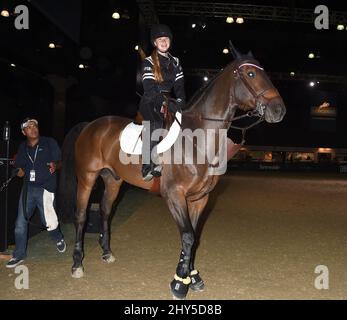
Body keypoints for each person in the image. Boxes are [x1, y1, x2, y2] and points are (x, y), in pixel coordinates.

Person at [6, 118, 66, 268]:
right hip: (28, 188)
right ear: (23, 132)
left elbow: (60, 161)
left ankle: (58, 237)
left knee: (49, 222)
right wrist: (18, 171)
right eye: (29, 127)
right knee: (20, 223)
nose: (33, 129)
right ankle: (19, 254)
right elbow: (20, 168)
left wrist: (55, 165)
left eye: (35, 126)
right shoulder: (22, 147)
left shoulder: (49, 142)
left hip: (46, 187)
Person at [139, 24, 186, 181]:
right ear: (155, 42)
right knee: (156, 122)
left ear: (170, 41)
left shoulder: (176, 62)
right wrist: (165, 103)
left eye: (166, 39)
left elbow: (179, 87)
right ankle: (147, 166)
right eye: (160, 39)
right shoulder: (148, 61)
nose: (164, 42)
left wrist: (180, 101)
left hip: (169, 99)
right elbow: (149, 88)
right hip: (151, 99)